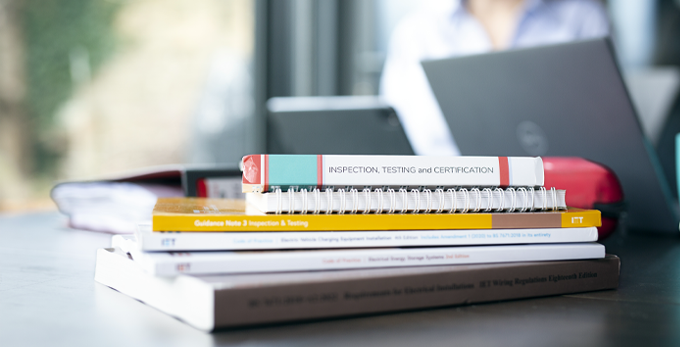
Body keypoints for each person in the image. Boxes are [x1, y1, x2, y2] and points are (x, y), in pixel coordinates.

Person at [380, 0, 610, 156]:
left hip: (557, 204)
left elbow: (605, 143)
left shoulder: (581, 21)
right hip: (442, 207)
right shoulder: (415, 33)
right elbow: (389, 141)